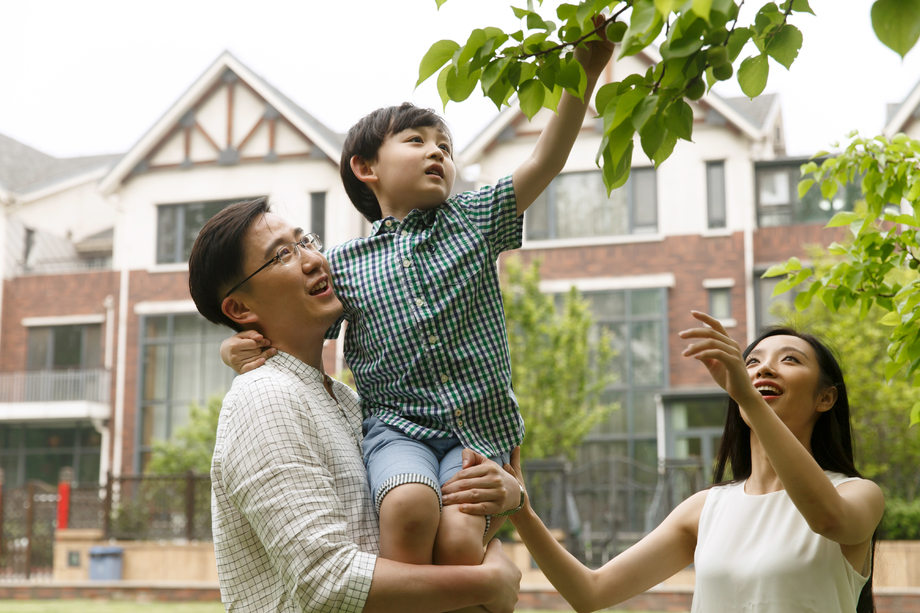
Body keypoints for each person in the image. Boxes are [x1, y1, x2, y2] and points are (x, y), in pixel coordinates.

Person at [222, 25, 615, 581]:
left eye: (445, 146)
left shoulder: (474, 221)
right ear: (366, 168)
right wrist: (234, 349)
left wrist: (585, 71)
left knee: (457, 540)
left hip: (477, 430)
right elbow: (293, 326)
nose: (437, 151)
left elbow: (544, 161)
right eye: (417, 140)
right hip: (397, 428)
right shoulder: (344, 265)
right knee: (407, 511)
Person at [188, 197, 524, 612]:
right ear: (240, 308)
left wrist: (511, 498)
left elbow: (427, 536)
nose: (312, 259)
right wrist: (484, 584)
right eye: (282, 255)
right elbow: (324, 582)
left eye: (307, 241)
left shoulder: (350, 401)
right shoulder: (266, 397)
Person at [480, 311, 885, 613]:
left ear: (825, 398)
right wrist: (523, 511)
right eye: (753, 361)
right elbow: (591, 591)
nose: (764, 367)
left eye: (790, 359)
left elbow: (828, 520)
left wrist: (749, 399)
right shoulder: (706, 508)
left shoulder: (857, 494)